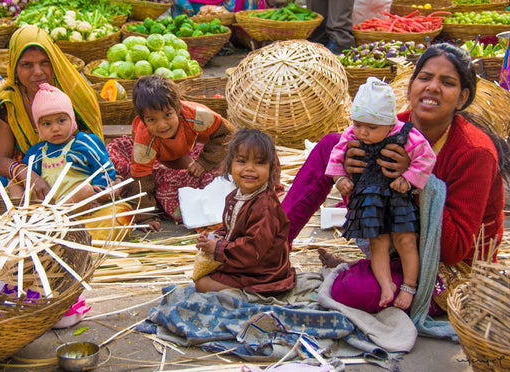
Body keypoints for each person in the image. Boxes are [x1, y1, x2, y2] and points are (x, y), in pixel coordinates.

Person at [283, 42, 507, 314]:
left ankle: (369, 272)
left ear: (462, 98)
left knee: (351, 289)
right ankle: (273, 245)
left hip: (449, 266)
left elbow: (455, 250)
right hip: (392, 235)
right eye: (424, 78)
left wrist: (414, 180)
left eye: (447, 82)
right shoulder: (387, 127)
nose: (432, 87)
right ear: (410, 87)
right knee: (332, 146)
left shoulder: (474, 152)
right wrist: (349, 170)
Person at [325, 77, 436, 310]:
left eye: (371, 127)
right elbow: (336, 156)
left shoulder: (406, 134)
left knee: (406, 241)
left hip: (398, 200)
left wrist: (408, 179)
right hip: (371, 200)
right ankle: (386, 285)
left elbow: (426, 158)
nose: (363, 132)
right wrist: (341, 178)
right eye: (358, 124)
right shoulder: (351, 135)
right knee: (378, 242)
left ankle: (409, 285)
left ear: (389, 124)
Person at [0, 26, 104, 201]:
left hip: (76, 176)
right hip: (30, 178)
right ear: (14, 68)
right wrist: (28, 175)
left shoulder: (72, 94)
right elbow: (2, 158)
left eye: (44, 62)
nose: (38, 71)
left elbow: (93, 152)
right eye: (27, 65)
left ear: (54, 62)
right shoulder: (10, 102)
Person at [107, 74, 235, 231]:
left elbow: (226, 133)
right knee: (151, 181)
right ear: (143, 120)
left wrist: (204, 162)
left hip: (189, 147)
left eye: (168, 115)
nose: (162, 125)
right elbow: (141, 178)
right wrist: (144, 217)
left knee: (224, 169)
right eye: (152, 120)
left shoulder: (196, 115)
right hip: (157, 157)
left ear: (178, 108)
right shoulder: (144, 140)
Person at [195, 129, 296, 295]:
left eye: (259, 163)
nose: (250, 169)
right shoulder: (234, 197)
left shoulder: (265, 207)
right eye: (241, 161)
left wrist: (219, 248)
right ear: (230, 165)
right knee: (202, 276)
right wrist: (214, 238)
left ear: (271, 169)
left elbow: (253, 249)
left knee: (202, 284)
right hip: (242, 262)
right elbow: (231, 230)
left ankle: (251, 293)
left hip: (263, 272)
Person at [12, 83, 116, 207]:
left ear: (72, 120)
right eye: (46, 124)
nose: (55, 128)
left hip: (86, 206)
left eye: (61, 121)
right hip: (52, 210)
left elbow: (104, 167)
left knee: (85, 192)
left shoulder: (83, 143)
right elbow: (25, 179)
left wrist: (99, 194)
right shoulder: (37, 153)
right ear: (38, 128)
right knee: (13, 186)